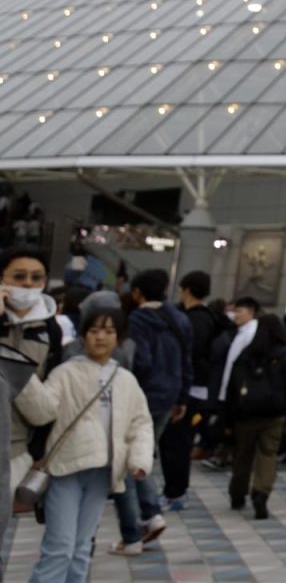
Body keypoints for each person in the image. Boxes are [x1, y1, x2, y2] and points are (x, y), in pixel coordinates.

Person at [16, 305, 154, 583]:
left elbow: (140, 423)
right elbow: (43, 411)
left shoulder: (126, 379)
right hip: (66, 468)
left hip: (103, 472)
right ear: (82, 336)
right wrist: (22, 376)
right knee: (60, 548)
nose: (100, 337)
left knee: (81, 548)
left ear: (119, 338)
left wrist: (139, 460)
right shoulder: (66, 373)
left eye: (109, 331)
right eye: (93, 331)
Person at [111, 268, 192, 556]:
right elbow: (186, 360)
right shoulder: (179, 318)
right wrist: (181, 397)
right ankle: (151, 514)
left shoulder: (137, 320)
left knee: (126, 463)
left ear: (137, 293)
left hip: (141, 396)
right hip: (169, 397)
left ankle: (136, 527)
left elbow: (140, 360)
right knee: (143, 455)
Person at [162, 270, 230, 511]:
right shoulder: (209, 317)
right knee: (177, 441)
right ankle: (175, 490)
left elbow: (189, 354)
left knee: (177, 441)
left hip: (188, 388)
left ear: (186, 289)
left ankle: (176, 492)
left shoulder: (195, 319)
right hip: (198, 387)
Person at [3, 244, 65, 492]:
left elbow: (51, 383)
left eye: (36, 277)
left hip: (16, 445)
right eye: (19, 276)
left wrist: (37, 449)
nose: (28, 283)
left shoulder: (50, 329)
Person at [225, 314, 286, 520]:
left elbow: (233, 386)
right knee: (268, 454)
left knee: (243, 455)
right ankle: (261, 493)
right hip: (274, 413)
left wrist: (228, 416)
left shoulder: (246, 354)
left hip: (245, 413)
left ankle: (237, 494)